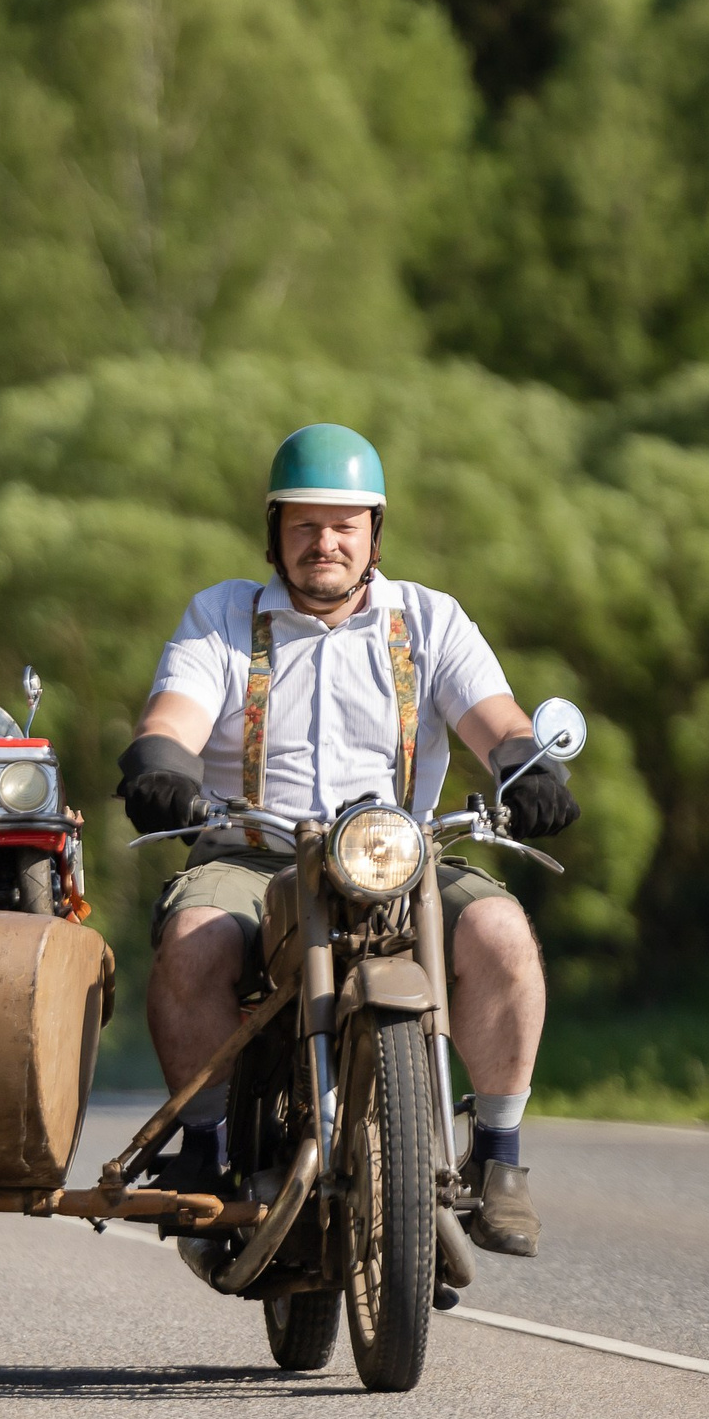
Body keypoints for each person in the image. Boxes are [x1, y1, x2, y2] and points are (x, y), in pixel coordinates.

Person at [114, 424, 579, 1256]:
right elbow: (172, 718)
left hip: (397, 856)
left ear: (373, 533)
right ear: (274, 533)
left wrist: (527, 766)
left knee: (503, 931)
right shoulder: (222, 618)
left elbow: (497, 720)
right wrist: (160, 763)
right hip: (252, 851)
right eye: (304, 524)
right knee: (191, 939)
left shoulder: (428, 620)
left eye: (343, 525)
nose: (324, 542)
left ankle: (501, 1154)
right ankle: (208, 1148)